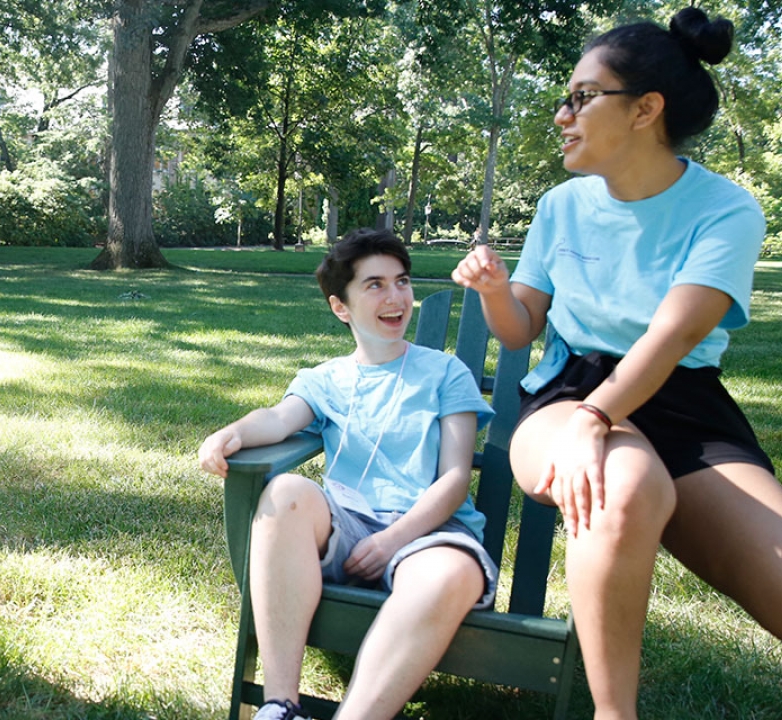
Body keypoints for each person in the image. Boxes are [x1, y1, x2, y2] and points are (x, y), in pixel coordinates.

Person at [451, 8, 779, 719]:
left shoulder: (726, 209)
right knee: (621, 483)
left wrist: (605, 417)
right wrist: (498, 292)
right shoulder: (560, 206)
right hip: (569, 396)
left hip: (682, 404)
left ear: (646, 109)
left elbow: (672, 337)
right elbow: (521, 332)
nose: (563, 115)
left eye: (582, 96)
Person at [199, 229, 498, 720]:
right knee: (287, 491)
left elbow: (454, 479)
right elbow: (277, 418)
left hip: (432, 533)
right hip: (349, 525)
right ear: (342, 307)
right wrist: (230, 432)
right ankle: (280, 707)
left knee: (445, 573)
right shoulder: (326, 379)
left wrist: (392, 540)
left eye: (401, 282)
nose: (395, 297)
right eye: (374, 285)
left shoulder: (445, 373)